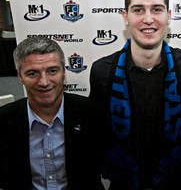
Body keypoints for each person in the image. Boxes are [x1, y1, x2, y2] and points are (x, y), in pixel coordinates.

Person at [89, 0, 181, 190]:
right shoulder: (102, 70)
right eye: (138, 10)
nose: (148, 19)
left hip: (176, 182)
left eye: (156, 9)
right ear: (125, 17)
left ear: (168, 16)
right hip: (123, 183)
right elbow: (98, 133)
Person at [0, 36, 106, 190]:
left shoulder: (93, 113)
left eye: (52, 71)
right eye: (32, 73)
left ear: (64, 70)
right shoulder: (3, 120)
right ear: (19, 76)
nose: (44, 82)